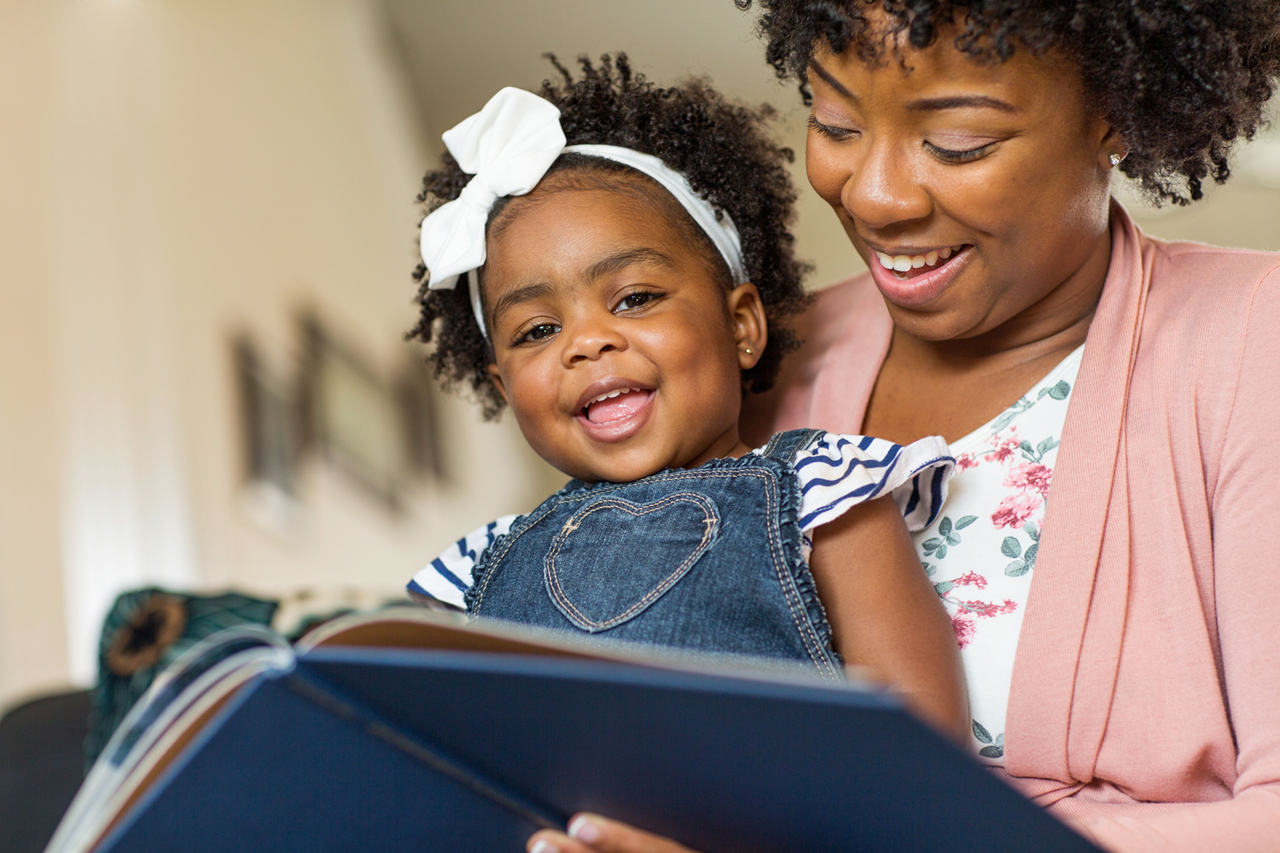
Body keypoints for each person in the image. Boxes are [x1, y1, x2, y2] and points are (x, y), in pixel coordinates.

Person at [521, 3, 1280, 853]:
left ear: (1116, 114)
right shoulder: (760, 364)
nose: (877, 196)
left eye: (958, 143)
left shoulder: (1254, 339)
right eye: (836, 123)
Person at [405, 56, 968, 742]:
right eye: (538, 330)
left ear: (741, 325)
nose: (586, 343)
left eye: (635, 298)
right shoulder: (480, 566)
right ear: (502, 385)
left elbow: (923, 757)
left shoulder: (823, 494)